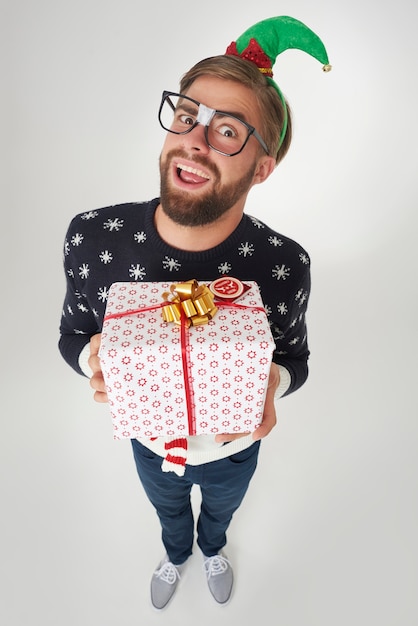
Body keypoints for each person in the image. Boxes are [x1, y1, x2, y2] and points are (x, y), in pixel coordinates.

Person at [59, 16, 330, 610]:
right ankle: (176, 552)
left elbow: (294, 357)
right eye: (189, 116)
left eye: (229, 131)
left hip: (235, 446)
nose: (196, 141)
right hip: (150, 440)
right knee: (166, 507)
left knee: (223, 507)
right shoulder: (92, 238)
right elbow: (74, 331)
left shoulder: (283, 262)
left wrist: (272, 383)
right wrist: (94, 358)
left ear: (263, 166)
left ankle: (213, 548)